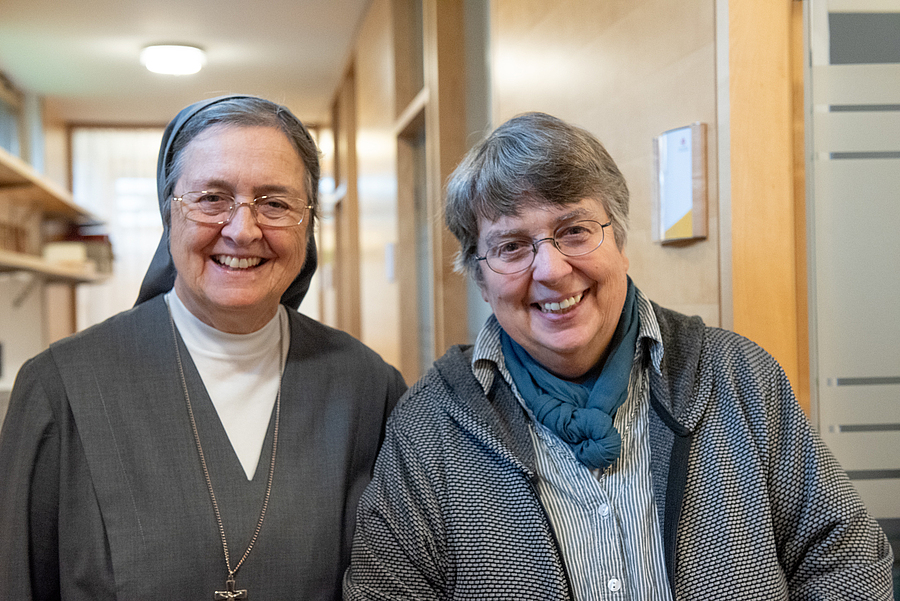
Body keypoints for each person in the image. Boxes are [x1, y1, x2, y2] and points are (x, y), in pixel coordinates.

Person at [344, 112, 893, 599]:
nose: (552, 269)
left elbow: (844, 557)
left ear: (622, 243)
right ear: (480, 279)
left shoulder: (739, 375)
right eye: (511, 246)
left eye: (575, 230)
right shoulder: (429, 425)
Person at [0, 95, 406, 600]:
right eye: (212, 197)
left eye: (275, 203)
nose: (242, 230)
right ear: (170, 213)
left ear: (309, 224)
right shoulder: (61, 389)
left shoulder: (368, 388)